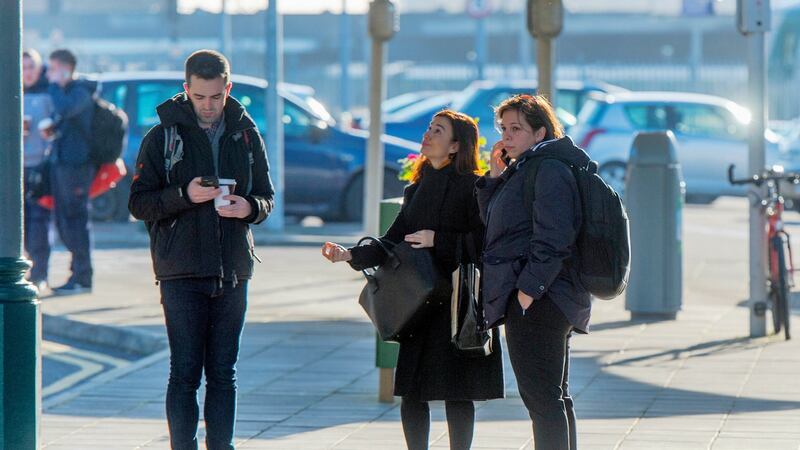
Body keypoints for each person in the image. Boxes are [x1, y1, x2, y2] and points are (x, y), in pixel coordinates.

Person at [322, 110, 503, 450]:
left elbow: (485, 243)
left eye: (438, 130)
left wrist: (439, 240)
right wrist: (350, 254)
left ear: (454, 146)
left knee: (457, 393)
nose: (428, 134)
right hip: (416, 304)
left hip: (455, 304)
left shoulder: (472, 188)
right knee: (412, 392)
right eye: (429, 128)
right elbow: (391, 243)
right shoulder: (416, 189)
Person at [128, 49, 274, 450]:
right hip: (181, 270)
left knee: (224, 373)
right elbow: (139, 203)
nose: (208, 107)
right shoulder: (162, 137)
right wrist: (184, 195)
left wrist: (250, 207)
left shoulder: (246, 134)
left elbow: (266, 197)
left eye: (216, 97)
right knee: (185, 372)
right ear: (186, 89)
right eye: (199, 97)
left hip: (233, 270)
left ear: (228, 89)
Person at [476, 94, 591, 450]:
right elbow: (495, 226)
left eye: (517, 129)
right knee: (554, 398)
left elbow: (554, 237)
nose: (506, 137)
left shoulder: (548, 169)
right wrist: (494, 178)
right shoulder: (525, 168)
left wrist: (528, 291)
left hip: (541, 299)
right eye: (503, 128)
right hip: (545, 296)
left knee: (543, 401)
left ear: (540, 132)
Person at [46, 48, 96, 295]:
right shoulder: (68, 92)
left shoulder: (79, 92)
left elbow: (66, 109)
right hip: (64, 162)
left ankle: (82, 277)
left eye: (53, 69)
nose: (49, 74)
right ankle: (76, 274)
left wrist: (54, 87)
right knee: (64, 220)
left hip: (77, 166)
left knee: (75, 220)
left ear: (66, 69)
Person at [22, 49, 54, 292]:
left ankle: (40, 273)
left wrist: (50, 135)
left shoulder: (49, 93)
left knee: (39, 223)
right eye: (22, 67)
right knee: (16, 226)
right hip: (14, 167)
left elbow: (59, 128)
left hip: (41, 167)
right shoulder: (10, 92)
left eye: (31, 66)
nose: (27, 72)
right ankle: (23, 271)